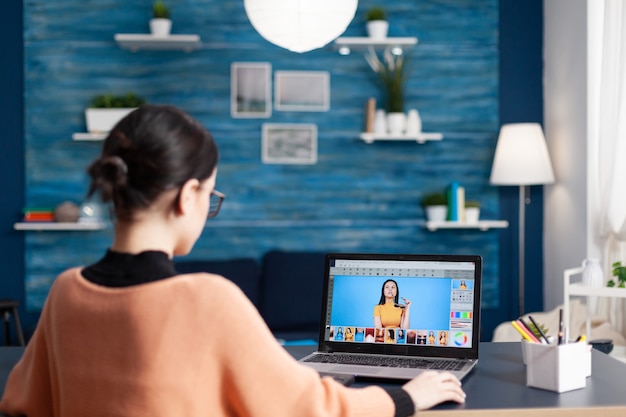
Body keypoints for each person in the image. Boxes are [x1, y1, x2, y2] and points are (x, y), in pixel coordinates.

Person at [0, 105, 465, 417]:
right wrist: (406, 396)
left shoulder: (65, 291)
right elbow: (312, 408)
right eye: (211, 196)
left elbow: (20, 403)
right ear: (187, 196)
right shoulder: (206, 299)